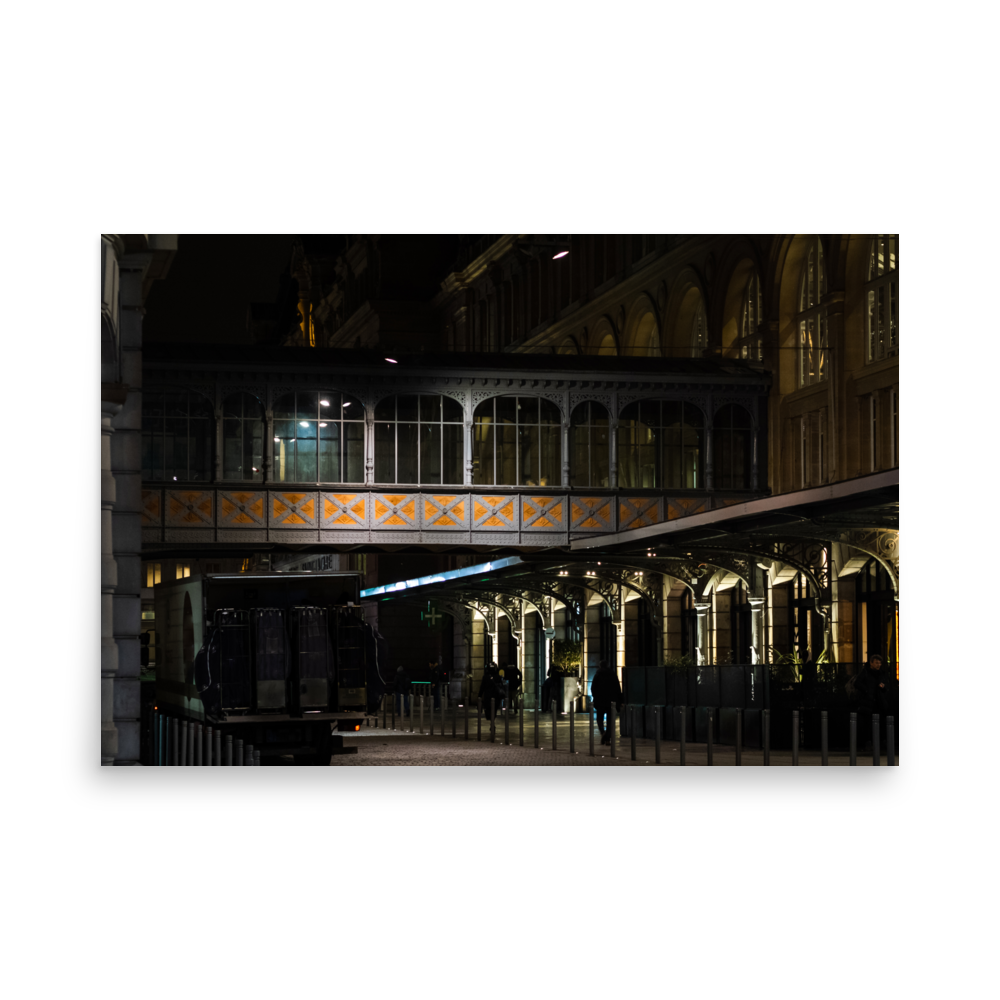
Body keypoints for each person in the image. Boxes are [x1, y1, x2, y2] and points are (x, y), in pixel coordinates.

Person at [855, 652, 891, 752]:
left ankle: (880, 742)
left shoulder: (881, 674)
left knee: (881, 723)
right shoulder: (866, 672)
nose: (878, 665)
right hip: (869, 702)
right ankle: (869, 743)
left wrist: (883, 687)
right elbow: (857, 683)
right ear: (871, 663)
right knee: (868, 724)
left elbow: (886, 686)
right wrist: (866, 691)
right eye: (876, 663)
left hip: (879, 702)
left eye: (879, 663)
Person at [590, 659, 623, 746]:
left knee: (599, 718)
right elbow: (617, 688)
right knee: (610, 720)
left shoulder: (597, 675)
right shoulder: (612, 675)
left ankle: (603, 732)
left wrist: (595, 697)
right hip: (610, 701)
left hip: (600, 700)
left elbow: (593, 688)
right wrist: (619, 700)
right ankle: (607, 738)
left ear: (600, 666)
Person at [478, 662, 505, 728]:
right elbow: (501, 686)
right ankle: (492, 722)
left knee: (488, 710)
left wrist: (479, 696)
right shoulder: (498, 677)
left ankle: (492, 722)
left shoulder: (485, 677)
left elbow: (482, 688)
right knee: (494, 710)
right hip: (496, 697)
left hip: (488, 697)